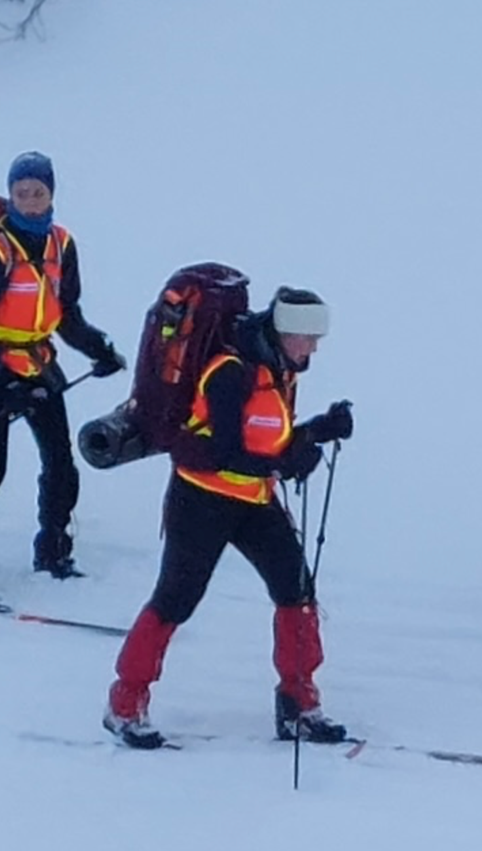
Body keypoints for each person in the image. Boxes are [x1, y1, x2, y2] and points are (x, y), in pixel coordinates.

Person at [103, 284, 355, 749]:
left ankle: (298, 702)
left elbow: (264, 441)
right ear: (285, 332)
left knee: (296, 588)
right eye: (309, 336)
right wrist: (283, 464)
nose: (314, 346)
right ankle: (125, 702)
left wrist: (319, 430)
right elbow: (221, 453)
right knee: (177, 598)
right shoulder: (231, 372)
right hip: (201, 499)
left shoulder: (279, 368)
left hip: (254, 498)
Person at [0, 151, 127, 611]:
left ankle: (54, 550)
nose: (31, 200)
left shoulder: (62, 244)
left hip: (39, 365)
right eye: (22, 193)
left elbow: (67, 315)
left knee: (60, 462)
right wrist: (0, 376)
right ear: (11, 195)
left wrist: (98, 348)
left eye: (38, 192)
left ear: (51, 194)